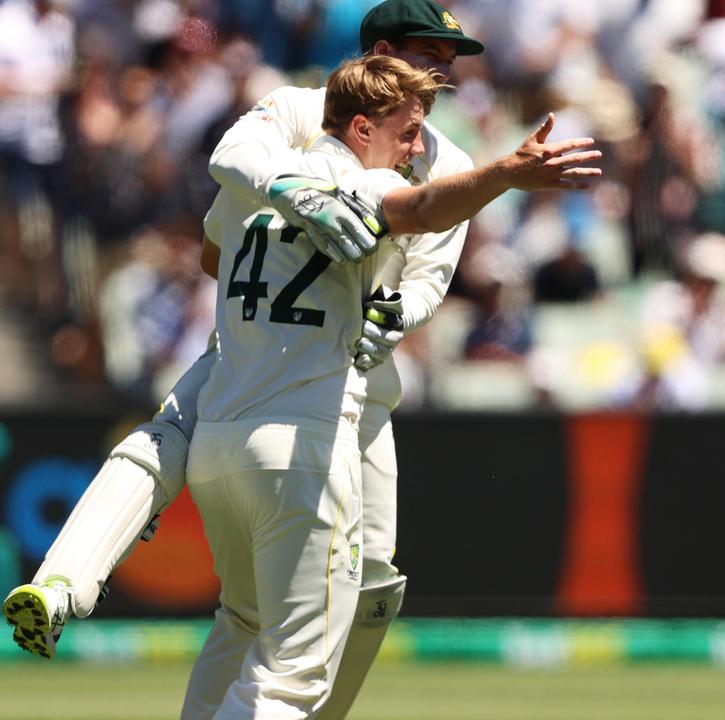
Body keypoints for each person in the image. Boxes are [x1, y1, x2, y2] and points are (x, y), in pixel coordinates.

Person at [5, 2, 599, 716]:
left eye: (454, 55)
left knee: (350, 590)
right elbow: (352, 197)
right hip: (300, 406)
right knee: (289, 666)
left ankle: (65, 583)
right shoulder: (309, 120)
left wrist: (391, 313)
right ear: (381, 58)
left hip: (301, 380)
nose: (447, 67)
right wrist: (304, 202)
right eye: (431, 51)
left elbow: (418, 278)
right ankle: (66, 584)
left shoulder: (435, 154)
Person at [185, 54, 597, 718]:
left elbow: (211, 250)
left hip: (217, 445)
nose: (416, 151)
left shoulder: (252, 190)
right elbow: (428, 207)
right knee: (292, 678)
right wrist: (506, 174)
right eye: (407, 133)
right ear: (359, 128)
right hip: (299, 449)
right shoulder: (358, 181)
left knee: (245, 625)